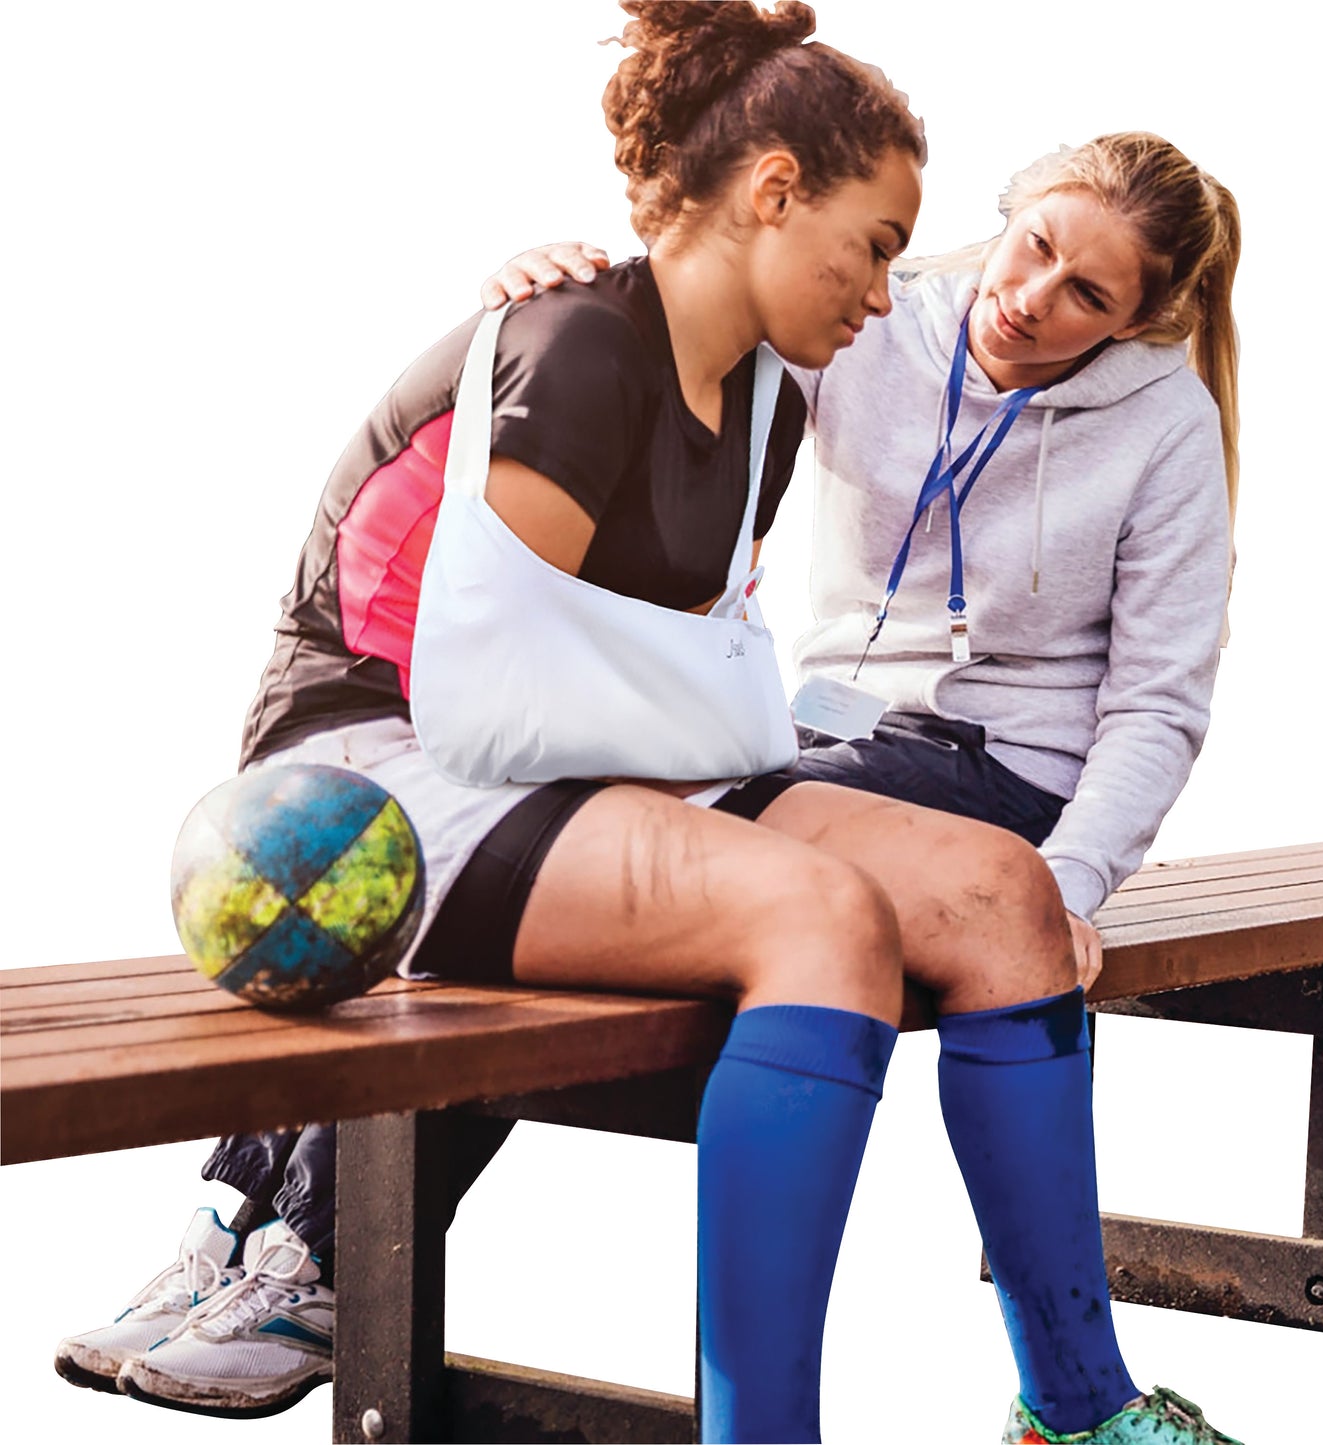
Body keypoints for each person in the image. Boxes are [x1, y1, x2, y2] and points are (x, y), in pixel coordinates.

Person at [47, 6, 1162, 1443]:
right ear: (771, 193)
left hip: (586, 766)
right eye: (875, 242)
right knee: (816, 915)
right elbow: (486, 695)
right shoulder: (574, 345)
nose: (888, 293)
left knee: (995, 891)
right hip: (368, 780)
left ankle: (1079, 1412)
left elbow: (652, 691)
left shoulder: (764, 401)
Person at [476, 128, 1244, 1445]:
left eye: (1086, 296)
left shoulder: (1164, 423)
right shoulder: (878, 323)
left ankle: (295, 1239)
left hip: (1005, 775)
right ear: (1005, 213)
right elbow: (693, 348)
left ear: (1139, 321)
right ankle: (294, 1232)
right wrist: (565, 288)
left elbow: (1156, 702)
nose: (1032, 297)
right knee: (577, 846)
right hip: (817, 741)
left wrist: (1068, 880)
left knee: (615, 849)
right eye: (1034, 247)